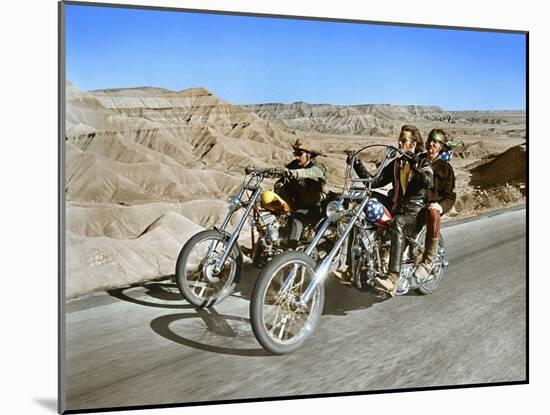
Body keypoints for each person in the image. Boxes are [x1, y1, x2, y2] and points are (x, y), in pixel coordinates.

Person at [350, 125, 433, 296]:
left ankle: (393, 278)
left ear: (413, 144)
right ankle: (351, 267)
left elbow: (428, 182)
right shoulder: (396, 164)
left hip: (413, 214)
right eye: (399, 141)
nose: (399, 144)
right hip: (396, 208)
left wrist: (415, 165)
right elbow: (375, 181)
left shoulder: (423, 162)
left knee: (398, 222)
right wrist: (356, 163)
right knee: (359, 205)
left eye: (403, 141)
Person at [414, 129, 458, 280]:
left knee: (433, 212)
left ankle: (428, 261)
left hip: (428, 207)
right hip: (412, 203)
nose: (431, 144)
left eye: (436, 142)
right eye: (430, 140)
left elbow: (450, 196)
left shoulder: (446, 169)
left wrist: (440, 206)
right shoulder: (417, 159)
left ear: (441, 147)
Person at [273, 138, 327, 249]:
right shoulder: (293, 165)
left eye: (299, 154)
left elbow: (311, 172)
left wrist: (295, 173)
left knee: (296, 218)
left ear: (309, 154)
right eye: (295, 153)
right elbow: (284, 172)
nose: (296, 157)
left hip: (313, 207)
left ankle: (290, 252)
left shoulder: (318, 167)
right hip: (295, 205)